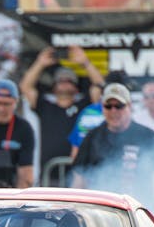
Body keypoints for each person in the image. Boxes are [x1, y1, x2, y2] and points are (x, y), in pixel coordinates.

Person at [72, 83, 154, 204]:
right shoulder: (93, 137)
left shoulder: (145, 135)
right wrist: (77, 207)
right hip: (101, 210)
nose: (113, 110)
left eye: (119, 106)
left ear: (129, 106)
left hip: (137, 209)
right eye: (108, 106)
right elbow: (79, 177)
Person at [19, 46, 103, 179]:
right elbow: (25, 87)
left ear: (76, 88)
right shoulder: (45, 106)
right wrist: (40, 63)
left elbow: (100, 87)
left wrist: (85, 63)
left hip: (78, 175)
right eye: (60, 81)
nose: (64, 83)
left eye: (69, 81)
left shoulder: (84, 106)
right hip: (49, 175)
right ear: (54, 87)